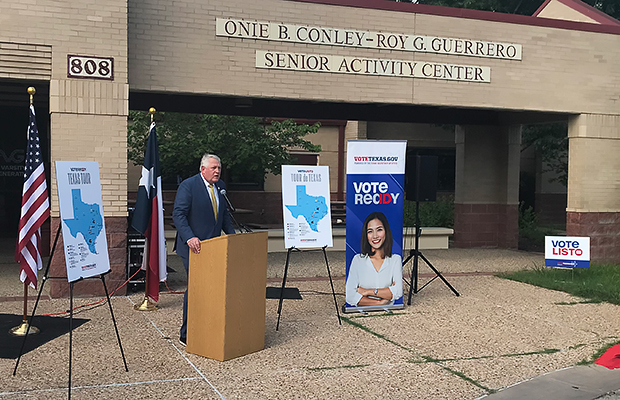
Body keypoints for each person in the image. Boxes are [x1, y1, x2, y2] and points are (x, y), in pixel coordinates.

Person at [172, 153, 236, 345]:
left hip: (214, 247)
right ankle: (187, 333)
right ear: (203, 169)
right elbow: (179, 214)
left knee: (214, 288)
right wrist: (190, 236)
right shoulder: (189, 186)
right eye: (214, 168)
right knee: (197, 288)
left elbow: (223, 214)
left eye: (219, 168)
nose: (217, 171)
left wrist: (232, 236)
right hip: (194, 248)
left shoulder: (221, 187)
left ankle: (210, 327)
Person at [345, 211, 403, 307]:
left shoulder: (395, 260)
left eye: (379, 230)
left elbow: (398, 291)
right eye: (370, 231)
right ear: (366, 235)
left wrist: (366, 291)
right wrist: (380, 302)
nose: (375, 236)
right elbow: (350, 296)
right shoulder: (358, 260)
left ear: (386, 231)